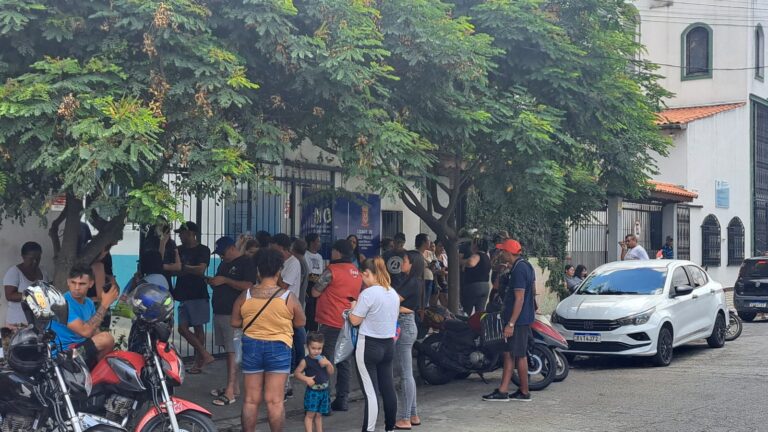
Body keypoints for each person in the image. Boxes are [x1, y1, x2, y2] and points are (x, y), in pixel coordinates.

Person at [231, 248, 306, 432]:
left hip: (252, 347)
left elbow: (234, 321)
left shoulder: (245, 296)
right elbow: (300, 321)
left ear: (258, 271)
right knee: (275, 401)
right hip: (279, 348)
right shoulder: (288, 297)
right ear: (279, 270)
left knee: (250, 399)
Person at [349, 257, 400, 432]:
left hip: (368, 346)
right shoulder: (392, 292)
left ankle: (368, 429)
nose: (362, 280)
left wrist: (352, 308)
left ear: (367, 273)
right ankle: (390, 428)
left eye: (363, 276)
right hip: (388, 345)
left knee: (371, 394)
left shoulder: (368, 293)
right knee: (388, 389)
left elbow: (355, 320)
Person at [311, 239, 362, 412]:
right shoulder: (356, 272)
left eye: (333, 251)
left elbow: (315, 291)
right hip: (348, 322)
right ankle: (342, 399)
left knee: (324, 361)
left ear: (338, 252)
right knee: (344, 361)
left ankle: (323, 402)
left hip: (330, 321)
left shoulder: (331, 271)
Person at [483, 239, 536, 402]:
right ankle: (504, 390)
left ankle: (524, 391)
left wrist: (511, 323)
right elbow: (532, 291)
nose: (501, 254)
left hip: (517, 320)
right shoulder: (526, 266)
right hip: (523, 317)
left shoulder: (519, 270)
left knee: (518, 355)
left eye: (502, 251)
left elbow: (519, 298)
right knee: (509, 354)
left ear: (508, 252)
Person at [210, 236, 259, 406]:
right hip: (219, 312)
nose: (221, 257)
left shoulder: (246, 263)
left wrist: (225, 281)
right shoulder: (224, 264)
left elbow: (249, 286)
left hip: (233, 314)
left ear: (232, 248)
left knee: (233, 352)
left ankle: (230, 390)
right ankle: (234, 386)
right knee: (227, 350)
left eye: (223, 253)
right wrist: (215, 282)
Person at [51, 265, 119, 368]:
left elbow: (94, 331)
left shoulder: (89, 303)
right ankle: (95, 371)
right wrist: (105, 304)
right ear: (68, 282)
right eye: (73, 283)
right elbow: (86, 332)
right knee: (106, 339)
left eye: (82, 284)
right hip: (64, 355)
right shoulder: (62, 304)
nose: (77, 288)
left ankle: (95, 374)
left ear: (91, 284)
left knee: (109, 343)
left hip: (81, 349)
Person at [173, 221, 215, 374]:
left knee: (198, 327)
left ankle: (199, 363)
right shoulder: (178, 250)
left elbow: (200, 269)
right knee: (182, 329)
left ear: (191, 233)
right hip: (182, 293)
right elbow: (174, 270)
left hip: (197, 293)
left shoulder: (203, 250)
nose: (180, 236)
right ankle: (204, 354)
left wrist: (184, 268)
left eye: (182, 233)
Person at [271, 233, 306, 399]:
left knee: (288, 342)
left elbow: (283, 285)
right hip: (277, 307)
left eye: (275, 248)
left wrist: (272, 274)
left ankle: (290, 373)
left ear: (282, 248)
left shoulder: (293, 263)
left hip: (288, 307)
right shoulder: (283, 262)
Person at [394, 251, 423, 429]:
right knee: (407, 373)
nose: (401, 263)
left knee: (405, 375)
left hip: (404, 327)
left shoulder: (411, 282)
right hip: (407, 326)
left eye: (404, 260)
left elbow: (393, 301)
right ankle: (412, 413)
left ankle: (404, 417)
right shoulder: (412, 281)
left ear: (412, 263)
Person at [295, 332, 335, 432]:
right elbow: (297, 373)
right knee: (310, 415)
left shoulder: (323, 359)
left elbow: (331, 372)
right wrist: (306, 379)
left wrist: (328, 364)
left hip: (324, 391)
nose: (316, 351)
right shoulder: (305, 361)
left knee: (319, 415)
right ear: (308, 347)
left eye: (319, 348)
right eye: (313, 348)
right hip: (313, 392)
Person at [4, 241, 49, 327]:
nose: (35, 261)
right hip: (18, 323)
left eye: (38, 258)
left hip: (39, 323)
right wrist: (33, 296)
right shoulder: (14, 272)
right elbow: (9, 295)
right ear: (23, 257)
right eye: (31, 259)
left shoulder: (43, 271)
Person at [461, 239, 492, 315]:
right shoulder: (487, 257)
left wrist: (464, 263)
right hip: (485, 286)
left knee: (467, 310)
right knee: (480, 312)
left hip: (473, 285)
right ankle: (479, 326)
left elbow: (471, 262)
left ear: (476, 246)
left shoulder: (477, 255)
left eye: (472, 244)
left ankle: (464, 325)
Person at [304, 233, 325, 332]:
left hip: (318, 286)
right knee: (308, 311)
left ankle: (313, 332)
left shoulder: (320, 257)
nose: (319, 243)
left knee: (316, 312)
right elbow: (308, 274)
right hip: (308, 285)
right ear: (312, 243)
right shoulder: (305, 255)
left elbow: (321, 273)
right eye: (318, 241)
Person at [416, 233, 435, 308]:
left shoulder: (430, 253)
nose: (430, 242)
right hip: (420, 279)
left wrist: (433, 266)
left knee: (426, 301)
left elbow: (437, 266)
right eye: (428, 241)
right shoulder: (416, 253)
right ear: (423, 242)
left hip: (430, 278)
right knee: (420, 301)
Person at [434, 240, 449, 307]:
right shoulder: (432, 257)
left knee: (446, 303)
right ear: (435, 247)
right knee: (434, 304)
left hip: (444, 282)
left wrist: (445, 272)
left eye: (443, 246)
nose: (442, 248)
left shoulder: (444, 257)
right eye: (440, 246)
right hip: (435, 282)